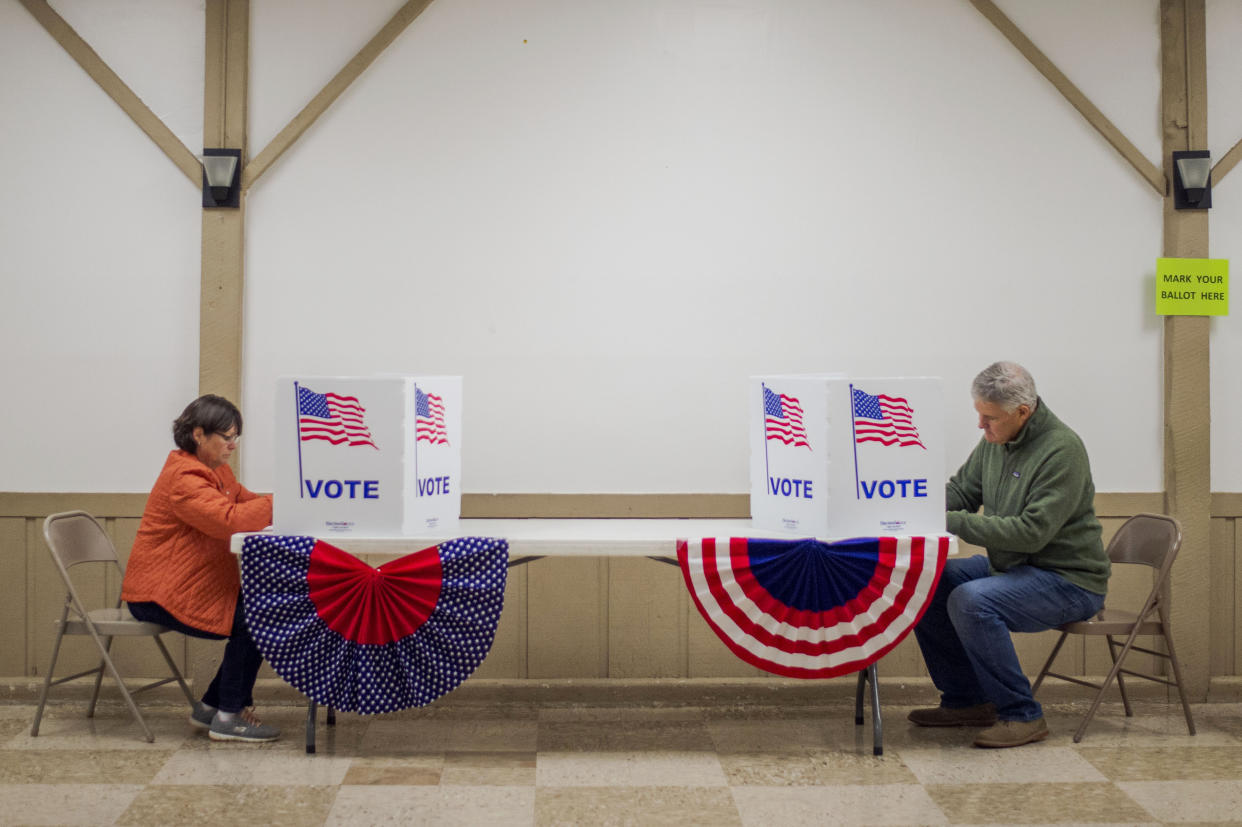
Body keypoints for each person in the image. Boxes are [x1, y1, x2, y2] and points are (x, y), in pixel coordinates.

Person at [909, 361, 1110, 748]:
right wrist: (912, 505)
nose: (981, 428)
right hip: (1014, 568)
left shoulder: (1062, 450)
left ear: (1023, 412)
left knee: (971, 601)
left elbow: (1031, 534)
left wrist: (948, 519)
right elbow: (963, 492)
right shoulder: (995, 442)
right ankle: (967, 700)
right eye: (979, 416)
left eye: (990, 419)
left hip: (1068, 580)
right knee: (927, 581)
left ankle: (1023, 715)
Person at [121, 394, 280, 743]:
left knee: (261, 614)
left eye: (235, 438)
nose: (232, 446)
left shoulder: (216, 471)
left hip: (185, 586)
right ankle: (229, 716)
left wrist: (282, 498)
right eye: (226, 438)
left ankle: (210, 708)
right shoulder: (185, 477)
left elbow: (244, 500)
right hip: (157, 593)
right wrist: (283, 500)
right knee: (257, 619)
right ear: (198, 435)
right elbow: (230, 520)